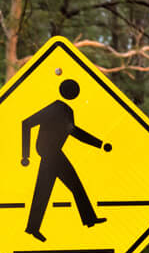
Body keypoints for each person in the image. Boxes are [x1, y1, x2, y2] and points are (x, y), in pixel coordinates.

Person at [21, 79, 112, 241]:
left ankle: (33, 228)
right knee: (54, 189)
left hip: (55, 153)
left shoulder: (67, 111)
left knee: (54, 188)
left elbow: (75, 132)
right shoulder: (54, 108)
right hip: (49, 153)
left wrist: (100, 144)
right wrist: (25, 155)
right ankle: (34, 228)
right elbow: (26, 123)